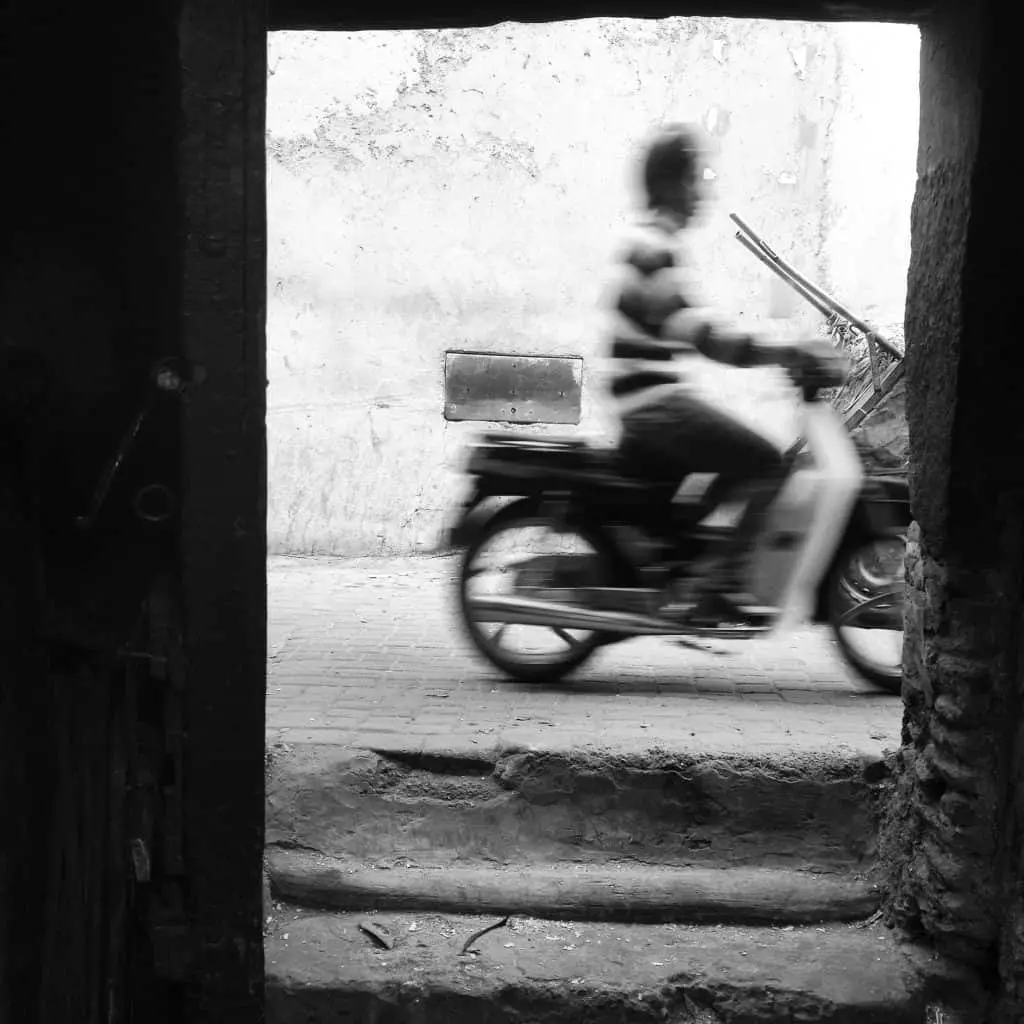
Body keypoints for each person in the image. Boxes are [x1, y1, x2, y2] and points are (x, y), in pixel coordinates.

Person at [604, 123, 829, 623]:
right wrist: (785, 353)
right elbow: (704, 337)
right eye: (692, 181)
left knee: (729, 468)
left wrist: (776, 354)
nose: (700, 194)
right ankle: (717, 584)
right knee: (768, 462)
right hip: (654, 407)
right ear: (667, 184)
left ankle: (688, 564)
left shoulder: (656, 246)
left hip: (652, 402)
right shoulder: (651, 248)